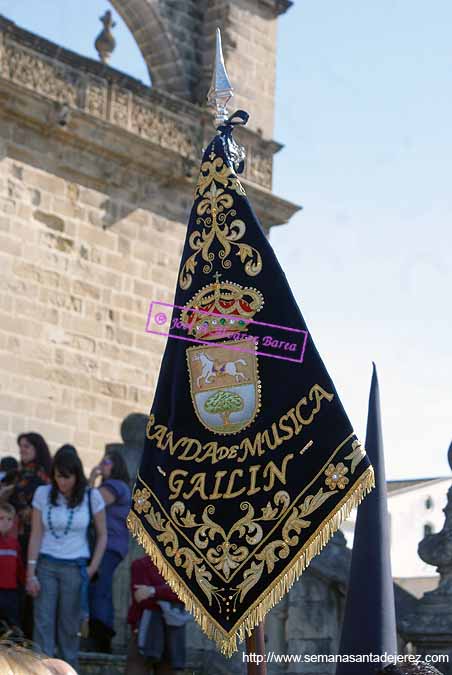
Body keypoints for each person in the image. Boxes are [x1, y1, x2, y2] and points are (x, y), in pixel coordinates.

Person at [26, 446, 107, 670]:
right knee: (43, 624)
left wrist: (93, 567)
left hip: (76, 567)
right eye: (58, 476)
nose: (62, 482)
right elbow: (36, 533)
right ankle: (41, 672)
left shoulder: (92, 496)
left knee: (69, 628)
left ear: (77, 475)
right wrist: (30, 573)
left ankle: (68, 671)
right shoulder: (43, 494)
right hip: (46, 565)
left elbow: (103, 535)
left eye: (67, 477)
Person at [88, 450, 132, 653]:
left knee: (98, 587)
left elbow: (90, 502)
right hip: (115, 546)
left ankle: (101, 636)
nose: (101, 464)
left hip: (109, 545)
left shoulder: (113, 486)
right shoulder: (121, 487)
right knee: (103, 588)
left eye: (106, 461)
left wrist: (91, 478)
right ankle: (103, 634)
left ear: (115, 465)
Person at [126, 556, 187, 675]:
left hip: (171, 632)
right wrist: (169, 594)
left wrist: (153, 591)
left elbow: (188, 594)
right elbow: (141, 598)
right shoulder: (141, 564)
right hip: (144, 630)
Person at [0, 503, 24, 632]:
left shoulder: (14, 543)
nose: (5, 523)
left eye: (9, 519)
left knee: (12, 628)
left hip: (11, 593)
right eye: (1, 518)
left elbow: (19, 568)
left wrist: (25, 583)